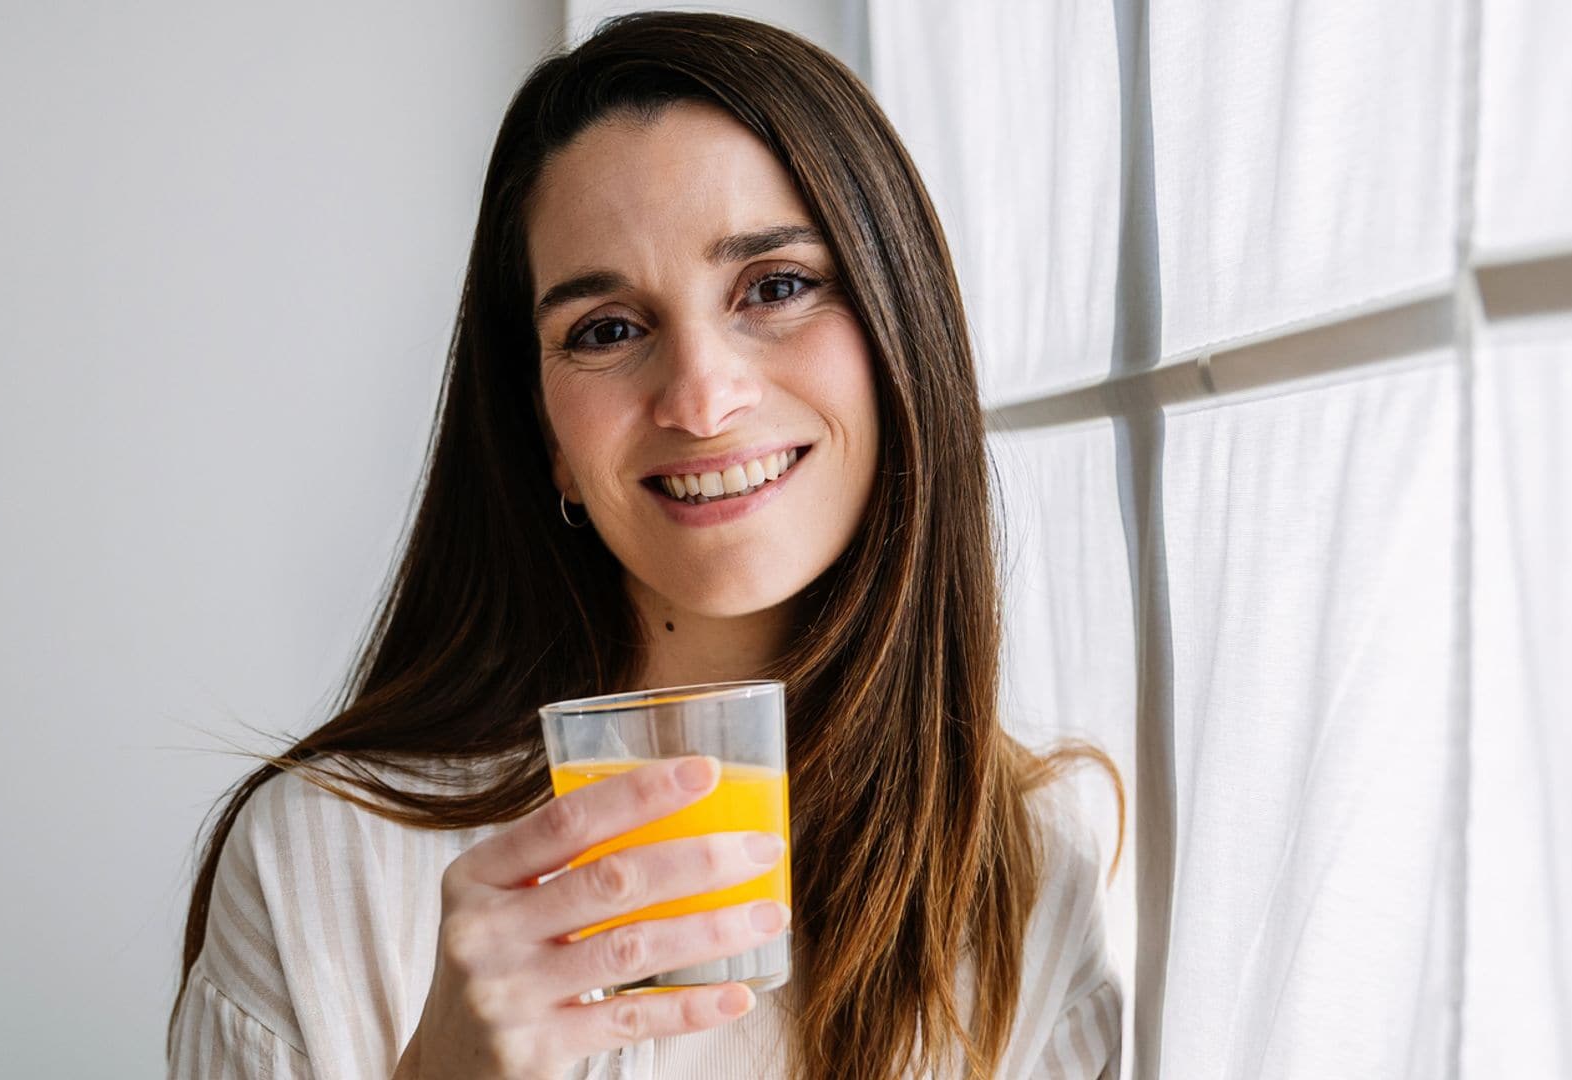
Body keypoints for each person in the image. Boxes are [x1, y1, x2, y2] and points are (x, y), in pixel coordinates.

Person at [167, 12, 1124, 1080]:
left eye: (774, 286)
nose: (703, 400)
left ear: (905, 332)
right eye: (608, 330)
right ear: (548, 442)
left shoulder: (1027, 882)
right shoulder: (322, 867)